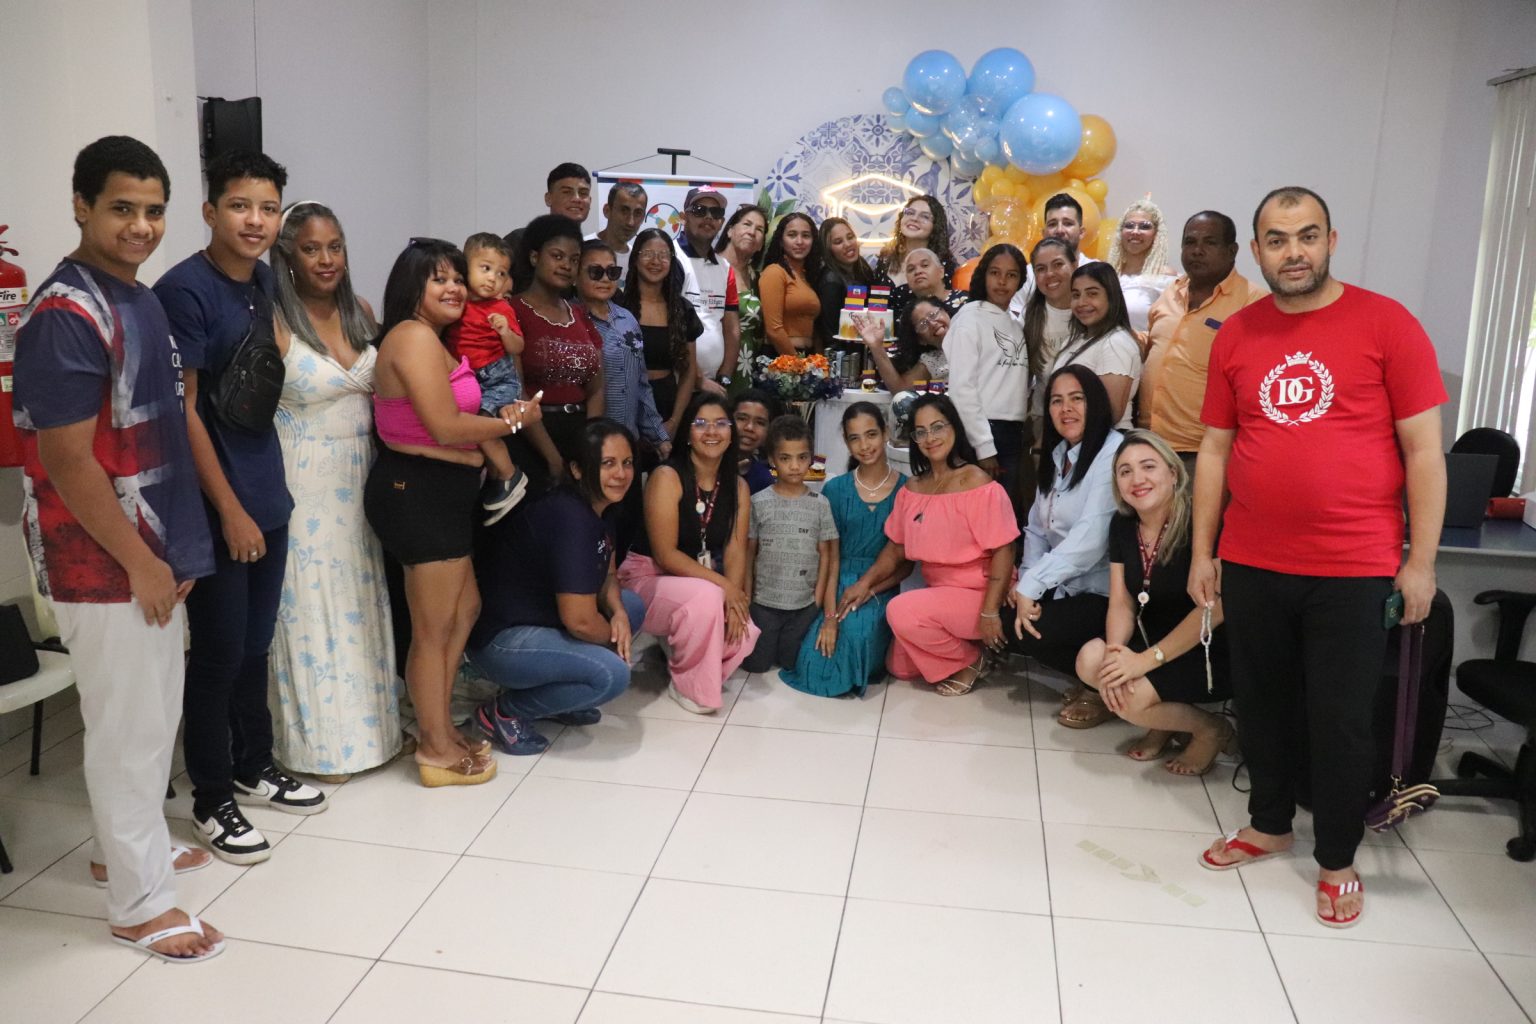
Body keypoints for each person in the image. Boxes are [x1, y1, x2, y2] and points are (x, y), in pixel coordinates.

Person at [1190, 187, 1446, 931]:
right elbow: (1215, 449)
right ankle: (1269, 824)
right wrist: (1204, 551)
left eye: (1307, 236)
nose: (1293, 252)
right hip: (1252, 558)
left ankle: (1336, 858)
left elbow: (1424, 452)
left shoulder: (1387, 323)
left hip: (1354, 565)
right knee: (1261, 704)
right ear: (1257, 251)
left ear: (1331, 240)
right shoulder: (1237, 333)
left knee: (1339, 720)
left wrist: (1420, 563)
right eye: (1277, 239)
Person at [12, 136, 223, 962]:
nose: (140, 226)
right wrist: (140, 563)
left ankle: (120, 850)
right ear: (81, 206)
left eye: (153, 210)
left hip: (151, 552)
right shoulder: (66, 314)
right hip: (101, 563)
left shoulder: (134, 295)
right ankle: (139, 905)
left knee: (147, 717)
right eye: (121, 209)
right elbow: (67, 460)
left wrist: (171, 554)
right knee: (129, 730)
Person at [154, 150, 326, 866]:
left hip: (265, 489)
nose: (255, 221)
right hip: (215, 502)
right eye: (239, 206)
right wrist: (227, 509)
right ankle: (211, 797)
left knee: (256, 645)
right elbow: (184, 410)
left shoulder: (262, 279)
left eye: (267, 208)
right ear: (210, 211)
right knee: (219, 654)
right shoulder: (183, 291)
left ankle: (255, 764)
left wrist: (258, 502)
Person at [365, 237, 538, 788]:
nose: (455, 288)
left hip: (442, 492)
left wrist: (485, 438)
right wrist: (513, 422)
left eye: (458, 278)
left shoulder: (433, 339)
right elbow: (444, 426)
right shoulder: (412, 336)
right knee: (434, 628)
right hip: (416, 494)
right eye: (439, 279)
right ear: (411, 287)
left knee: (465, 610)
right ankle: (434, 747)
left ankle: (438, 727)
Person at [267, 200, 398, 783]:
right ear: (288, 256)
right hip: (303, 480)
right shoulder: (273, 319)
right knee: (309, 608)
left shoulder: (361, 312)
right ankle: (316, 749)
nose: (326, 259)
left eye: (335, 246)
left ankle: (374, 735)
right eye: (312, 248)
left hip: (361, 477)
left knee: (361, 600)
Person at [467, 420, 645, 753]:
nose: (621, 474)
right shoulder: (569, 518)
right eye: (607, 464)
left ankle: (560, 698)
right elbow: (579, 621)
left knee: (632, 607)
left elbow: (608, 574)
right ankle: (504, 713)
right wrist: (614, 646)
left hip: (545, 620)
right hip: (504, 641)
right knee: (611, 675)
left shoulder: (601, 507)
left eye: (627, 463)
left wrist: (618, 613)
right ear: (577, 469)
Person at [1076, 430, 1234, 772]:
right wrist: (1116, 654)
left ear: (1173, 473)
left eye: (1148, 466)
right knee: (1091, 660)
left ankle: (1210, 729)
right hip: (1151, 639)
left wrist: (1145, 661)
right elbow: (1121, 601)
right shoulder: (1123, 524)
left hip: (1206, 648)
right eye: (1125, 471)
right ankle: (1164, 723)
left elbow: (1215, 609)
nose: (1137, 479)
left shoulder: (1202, 522)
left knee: (1131, 700)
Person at [846, 395, 1018, 696]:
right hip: (941, 596)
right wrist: (865, 583)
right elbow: (896, 548)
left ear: (955, 427)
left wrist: (990, 611)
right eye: (921, 431)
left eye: (938, 427)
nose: (930, 438)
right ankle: (974, 649)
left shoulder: (977, 482)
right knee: (899, 668)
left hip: (981, 594)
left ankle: (971, 661)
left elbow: (1005, 550)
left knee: (901, 611)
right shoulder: (913, 488)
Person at [619, 392, 761, 712]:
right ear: (687, 433)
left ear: (731, 433)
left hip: (695, 582)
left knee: (744, 630)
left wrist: (735, 599)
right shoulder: (667, 476)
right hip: (646, 577)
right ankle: (690, 687)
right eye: (701, 423)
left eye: (721, 423)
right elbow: (665, 554)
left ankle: (683, 647)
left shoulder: (737, 486)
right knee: (709, 597)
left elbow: (736, 548)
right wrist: (725, 588)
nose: (711, 431)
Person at [1005, 365, 1122, 725]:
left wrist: (1032, 585)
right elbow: (1037, 530)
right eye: (1056, 401)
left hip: (1107, 592)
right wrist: (1026, 582)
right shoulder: (1059, 455)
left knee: (1034, 632)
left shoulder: (1113, 452)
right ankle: (1091, 672)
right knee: (1012, 621)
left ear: (1095, 403)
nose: (1065, 409)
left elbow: (1090, 540)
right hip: (1066, 585)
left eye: (1076, 399)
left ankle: (1101, 686)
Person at [783, 403, 908, 698]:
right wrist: (829, 616)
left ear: (886, 433)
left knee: (857, 631)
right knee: (815, 655)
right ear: (846, 442)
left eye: (871, 434)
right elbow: (829, 558)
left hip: (880, 586)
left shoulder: (907, 491)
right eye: (855, 438)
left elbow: (905, 565)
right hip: (836, 582)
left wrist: (870, 589)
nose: (864, 446)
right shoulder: (836, 490)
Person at [1139, 211, 1268, 468]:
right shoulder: (1172, 290)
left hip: (1203, 453)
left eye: (1210, 242)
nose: (1197, 250)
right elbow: (1153, 342)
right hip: (1147, 442)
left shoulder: (1254, 303)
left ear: (1231, 251)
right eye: (1190, 242)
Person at [509, 215, 606, 481]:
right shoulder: (512, 311)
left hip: (579, 435)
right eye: (557, 256)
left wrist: (589, 444)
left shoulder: (580, 314)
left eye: (574, 260)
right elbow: (516, 390)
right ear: (534, 257)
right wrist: (552, 458)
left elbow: (596, 387)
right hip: (531, 438)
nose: (566, 266)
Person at [742, 416, 839, 672]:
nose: (795, 466)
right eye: (785, 458)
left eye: (802, 457)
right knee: (757, 665)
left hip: (803, 605)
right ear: (772, 459)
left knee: (791, 662)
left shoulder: (820, 504)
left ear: (811, 458)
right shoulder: (758, 502)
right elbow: (749, 553)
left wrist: (817, 599)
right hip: (764, 603)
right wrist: (748, 598)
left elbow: (826, 555)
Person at [445, 231, 527, 514]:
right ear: (464, 267)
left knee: (480, 424)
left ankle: (509, 474)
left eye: (501, 273)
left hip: (498, 378)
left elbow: (518, 347)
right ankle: (492, 476)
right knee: (467, 426)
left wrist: (505, 331)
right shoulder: (457, 301)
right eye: (485, 268)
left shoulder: (502, 307)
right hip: (469, 377)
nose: (493, 278)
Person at [945, 243, 1029, 514]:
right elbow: (962, 389)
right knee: (980, 516)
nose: (1002, 281)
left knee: (1005, 517)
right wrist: (984, 446)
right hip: (984, 432)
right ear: (983, 275)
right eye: (995, 272)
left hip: (1013, 433)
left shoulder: (1015, 324)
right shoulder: (970, 319)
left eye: (1011, 275)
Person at [578, 240, 668, 458]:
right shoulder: (569, 321)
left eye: (612, 272)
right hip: (588, 445)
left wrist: (660, 437)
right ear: (575, 275)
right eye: (595, 272)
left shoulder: (627, 320)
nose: (605, 279)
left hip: (629, 444)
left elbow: (641, 385)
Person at [618, 227, 703, 443]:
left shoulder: (682, 310)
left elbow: (688, 372)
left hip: (667, 402)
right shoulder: (618, 306)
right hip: (624, 399)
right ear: (635, 259)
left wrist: (674, 421)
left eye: (663, 255)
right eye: (648, 253)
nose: (656, 261)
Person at [1046, 263, 1142, 429]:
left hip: (1104, 442)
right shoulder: (1073, 340)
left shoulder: (1116, 343)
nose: (1081, 302)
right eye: (1076, 295)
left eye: (1092, 294)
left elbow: (1109, 415)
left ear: (1111, 296)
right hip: (1073, 440)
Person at [676, 185, 741, 389]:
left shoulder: (725, 268)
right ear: (684, 217)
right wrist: (697, 379)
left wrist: (725, 376)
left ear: (722, 221)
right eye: (699, 210)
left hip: (714, 384)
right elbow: (671, 327)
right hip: (677, 382)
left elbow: (732, 328)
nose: (708, 217)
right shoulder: (671, 257)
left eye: (716, 212)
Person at [1009, 192, 1097, 317]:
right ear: (1044, 233)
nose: (1060, 230)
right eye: (1052, 224)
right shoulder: (1027, 275)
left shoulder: (1097, 272)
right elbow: (1014, 322)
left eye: (1068, 223)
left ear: (1081, 232)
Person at [875, 195, 956, 322]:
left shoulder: (941, 264)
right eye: (910, 212)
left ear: (935, 226)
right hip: (882, 332)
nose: (914, 218)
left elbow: (943, 312)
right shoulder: (886, 258)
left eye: (925, 216)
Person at [715, 204, 769, 384]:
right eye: (747, 224)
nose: (752, 232)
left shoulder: (757, 278)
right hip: (713, 367)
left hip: (747, 370)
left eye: (759, 229)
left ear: (761, 244)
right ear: (730, 231)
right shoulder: (711, 267)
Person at [1106, 198, 1177, 332]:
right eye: (1129, 225)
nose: (1135, 231)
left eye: (1144, 226)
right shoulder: (1109, 274)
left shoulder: (1165, 276)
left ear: (1156, 234)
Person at [758, 211, 823, 354]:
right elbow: (774, 330)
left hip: (806, 357)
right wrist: (797, 363)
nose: (799, 241)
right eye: (792, 235)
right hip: (779, 357)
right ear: (781, 241)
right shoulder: (775, 272)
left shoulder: (807, 276)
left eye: (806, 236)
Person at [855, 296, 953, 392]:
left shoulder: (963, 331)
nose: (932, 323)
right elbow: (899, 389)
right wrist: (876, 347)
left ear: (946, 312)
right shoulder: (933, 360)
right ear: (921, 340)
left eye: (933, 315)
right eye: (923, 324)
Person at [504, 162, 592, 252]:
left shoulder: (590, 251)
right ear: (548, 198)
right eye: (567, 192)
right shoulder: (520, 240)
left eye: (583, 193)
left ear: (590, 201)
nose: (576, 199)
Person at [816, 216, 878, 341]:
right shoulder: (831, 280)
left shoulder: (863, 268)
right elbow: (831, 333)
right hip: (842, 350)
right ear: (828, 250)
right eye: (838, 242)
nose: (848, 244)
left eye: (850, 237)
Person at [588, 180, 648, 285]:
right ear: (607, 210)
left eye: (638, 213)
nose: (630, 222)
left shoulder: (638, 262)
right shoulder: (582, 249)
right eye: (624, 211)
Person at [731, 388, 780, 493]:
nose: (749, 427)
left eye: (760, 423)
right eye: (742, 418)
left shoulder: (763, 480)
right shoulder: (705, 466)